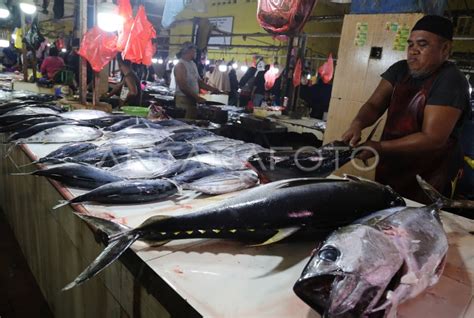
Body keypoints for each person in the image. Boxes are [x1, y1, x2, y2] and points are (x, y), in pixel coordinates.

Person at [341, 15, 471, 203]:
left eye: (422, 44)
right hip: (393, 164)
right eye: (410, 44)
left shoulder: (450, 80)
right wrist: (357, 124)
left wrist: (379, 147)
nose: (413, 51)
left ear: (445, 49)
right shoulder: (400, 70)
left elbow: (432, 138)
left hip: (431, 174)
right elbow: (374, 105)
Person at [173, 42, 221, 119]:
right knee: (184, 124)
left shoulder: (193, 64)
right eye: (194, 51)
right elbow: (182, 86)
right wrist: (197, 97)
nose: (196, 53)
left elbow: (199, 82)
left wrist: (213, 89)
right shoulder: (180, 65)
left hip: (193, 99)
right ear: (188, 51)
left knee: (191, 124)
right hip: (183, 100)